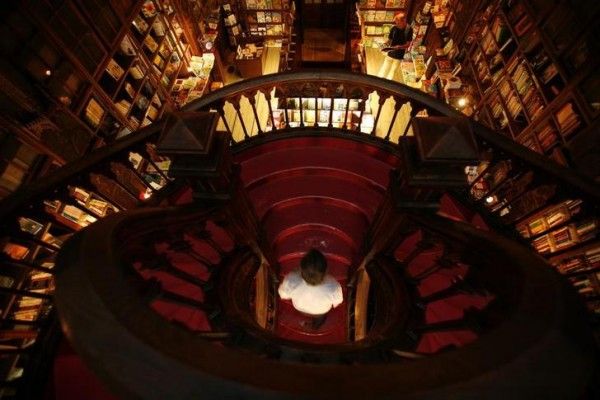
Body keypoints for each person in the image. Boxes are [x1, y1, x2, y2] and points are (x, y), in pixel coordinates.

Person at [278, 249, 343, 330]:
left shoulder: (291, 279)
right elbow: (337, 302)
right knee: (321, 315)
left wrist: (293, 274)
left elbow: (282, 294)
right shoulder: (334, 285)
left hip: (300, 308)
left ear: (300, 269)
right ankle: (318, 324)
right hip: (321, 311)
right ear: (326, 271)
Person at [377, 13, 413, 81]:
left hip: (399, 55)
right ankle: (379, 81)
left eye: (398, 23)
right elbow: (390, 40)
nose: (396, 24)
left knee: (392, 71)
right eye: (396, 23)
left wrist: (400, 47)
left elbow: (408, 44)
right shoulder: (394, 28)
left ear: (404, 21)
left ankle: (388, 84)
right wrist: (383, 45)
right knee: (385, 67)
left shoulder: (409, 30)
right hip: (390, 52)